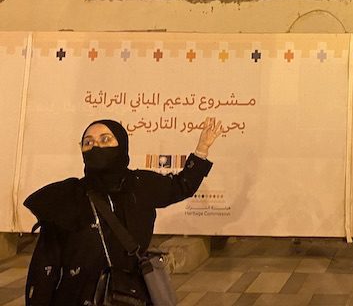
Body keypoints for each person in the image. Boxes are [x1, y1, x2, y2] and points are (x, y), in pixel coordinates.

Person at [24, 116, 223, 306]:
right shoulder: (66, 197)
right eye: (88, 142)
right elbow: (44, 267)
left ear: (122, 145)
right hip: (76, 297)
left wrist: (202, 149)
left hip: (130, 296)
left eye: (105, 139)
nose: (96, 147)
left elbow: (181, 186)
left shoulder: (140, 185)